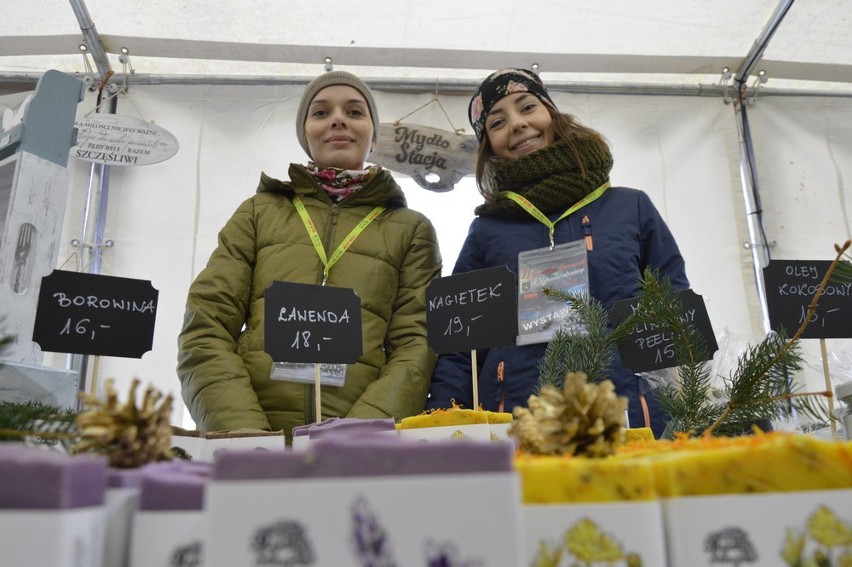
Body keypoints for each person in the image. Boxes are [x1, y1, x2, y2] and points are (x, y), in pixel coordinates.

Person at [178, 71, 442, 440]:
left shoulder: (412, 229)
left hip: (356, 452)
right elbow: (206, 326)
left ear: (373, 135)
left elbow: (417, 346)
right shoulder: (257, 213)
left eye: (354, 111)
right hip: (253, 444)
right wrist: (245, 434)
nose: (338, 119)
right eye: (321, 113)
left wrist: (359, 436)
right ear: (305, 134)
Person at [426, 68, 688, 437]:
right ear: (489, 145)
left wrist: (682, 412)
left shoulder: (631, 207)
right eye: (497, 122)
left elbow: (674, 312)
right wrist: (438, 423)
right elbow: (460, 345)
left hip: (629, 418)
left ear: (551, 114)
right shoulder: (487, 230)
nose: (517, 124)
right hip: (515, 423)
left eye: (527, 107)